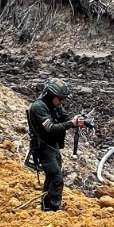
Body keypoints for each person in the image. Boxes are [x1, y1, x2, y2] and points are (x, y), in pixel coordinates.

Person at [26, 78, 84, 212]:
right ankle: (53, 209)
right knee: (57, 179)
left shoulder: (55, 105)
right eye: (60, 99)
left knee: (51, 177)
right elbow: (51, 128)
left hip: (53, 147)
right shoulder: (38, 107)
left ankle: (46, 207)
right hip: (43, 149)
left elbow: (64, 118)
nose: (61, 102)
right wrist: (71, 123)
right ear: (52, 95)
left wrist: (78, 121)